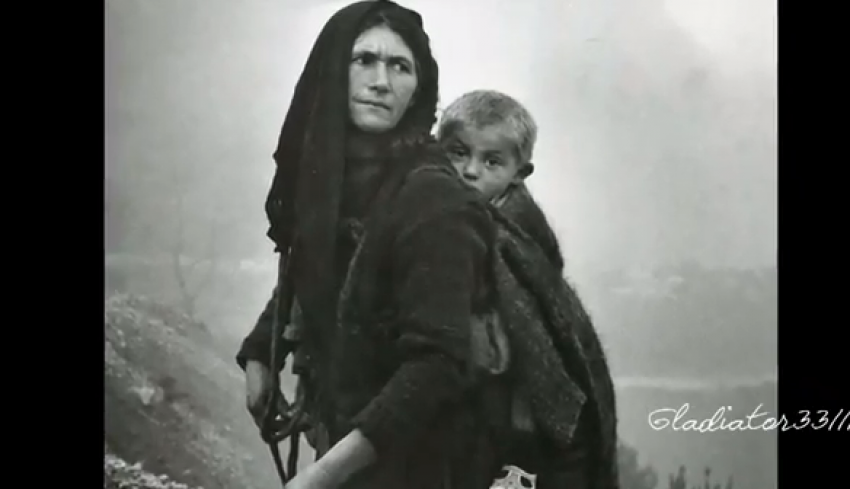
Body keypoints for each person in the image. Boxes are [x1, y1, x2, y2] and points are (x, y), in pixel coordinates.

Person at [235, 2, 506, 489]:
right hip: (348, 445)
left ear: (419, 88)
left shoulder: (435, 202)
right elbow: (314, 265)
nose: (381, 81)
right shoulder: (330, 183)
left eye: (400, 66)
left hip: (424, 465)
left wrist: (322, 475)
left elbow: (437, 364)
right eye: (363, 60)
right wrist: (261, 353)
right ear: (331, 72)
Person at [436, 89, 621, 489]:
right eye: (458, 153)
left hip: (519, 417)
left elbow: (537, 338)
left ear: (520, 172)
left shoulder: (514, 236)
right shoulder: (439, 217)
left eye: (491, 161)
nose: (470, 171)